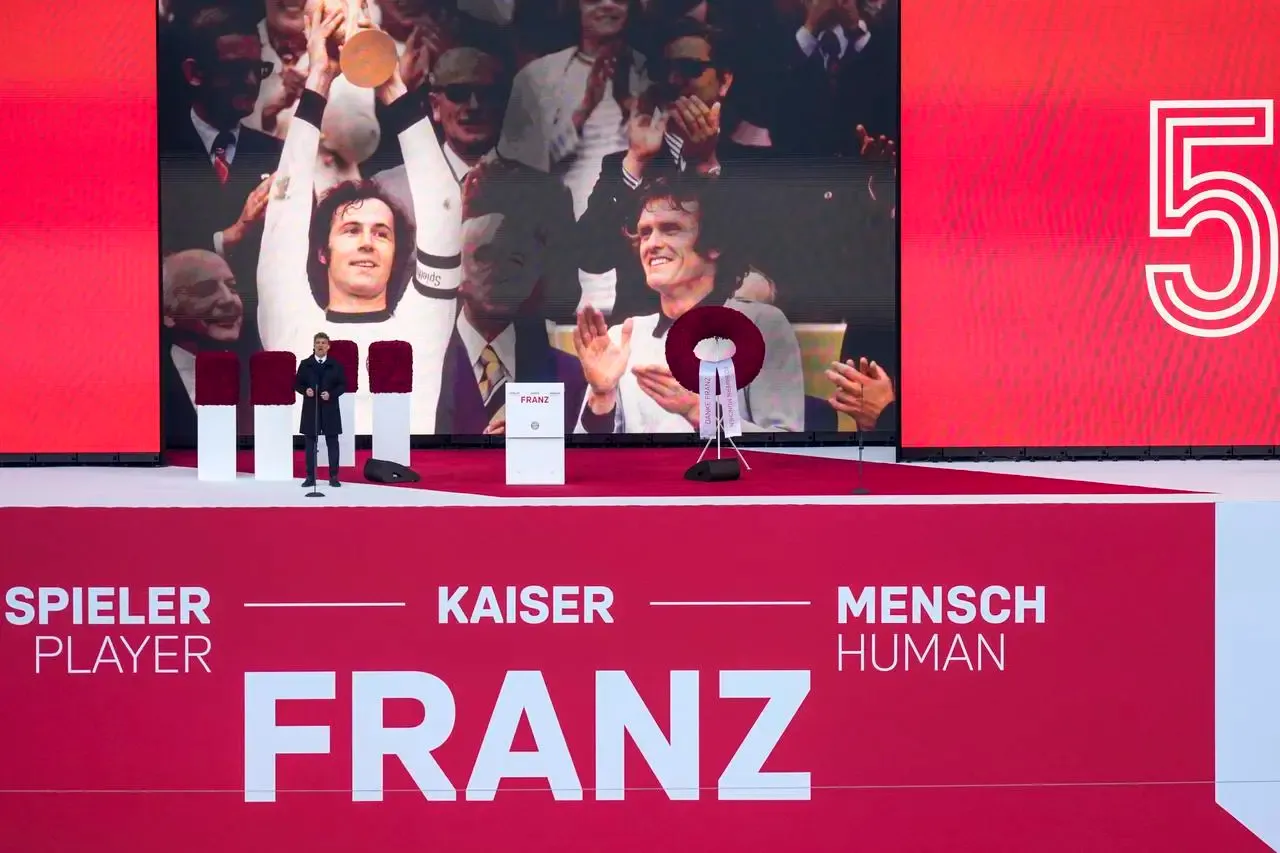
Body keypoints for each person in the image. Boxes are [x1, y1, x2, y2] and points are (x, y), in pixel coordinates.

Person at [257, 4, 463, 436]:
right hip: (309, 498)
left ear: (396, 254)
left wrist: (389, 81)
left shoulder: (422, 323)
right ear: (321, 251)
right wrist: (318, 80)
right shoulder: (290, 318)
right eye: (351, 229)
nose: (368, 241)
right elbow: (285, 201)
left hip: (404, 494)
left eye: (382, 233)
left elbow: (444, 204)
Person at [572, 176, 803, 433]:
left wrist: (699, 411)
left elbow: (785, 451)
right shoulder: (622, 337)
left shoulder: (763, 326)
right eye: (645, 232)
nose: (652, 244)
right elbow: (590, 461)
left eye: (670, 229)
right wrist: (601, 397)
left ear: (715, 244)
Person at [296, 332, 347, 487]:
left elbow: (343, 385)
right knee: (310, 443)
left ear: (328, 346)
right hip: (311, 409)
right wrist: (306, 391)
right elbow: (297, 384)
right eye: (318, 342)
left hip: (330, 409)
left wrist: (331, 394)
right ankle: (310, 477)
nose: (320, 345)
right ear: (313, 345)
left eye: (323, 343)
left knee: (333, 443)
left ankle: (333, 477)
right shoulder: (305, 364)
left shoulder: (336, 365)